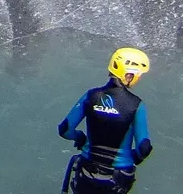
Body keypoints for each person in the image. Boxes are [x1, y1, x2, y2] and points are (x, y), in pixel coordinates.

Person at [58, 49, 153, 193]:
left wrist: (80, 137)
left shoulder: (91, 96)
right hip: (117, 179)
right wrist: (135, 157)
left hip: (86, 172)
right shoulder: (136, 105)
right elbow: (144, 147)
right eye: (138, 74)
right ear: (128, 74)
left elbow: (65, 129)